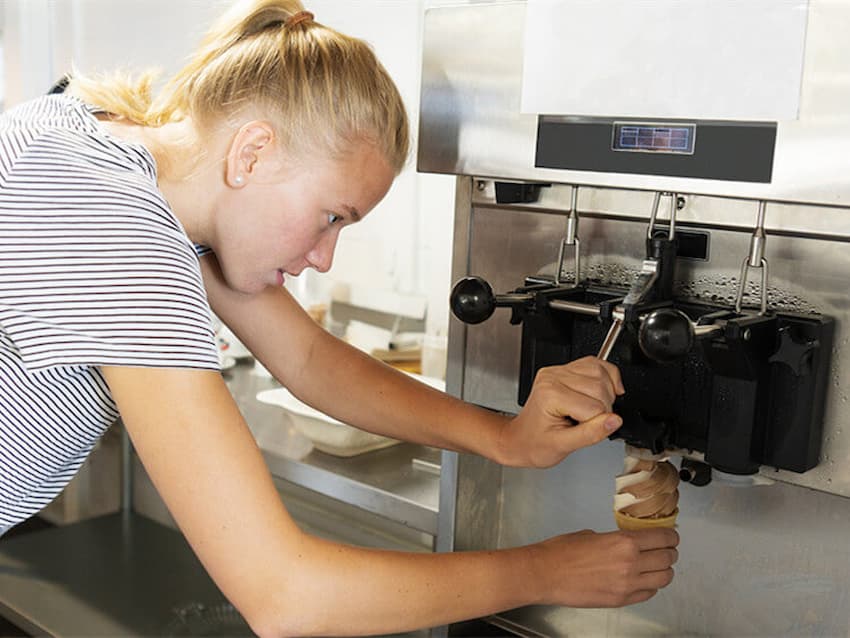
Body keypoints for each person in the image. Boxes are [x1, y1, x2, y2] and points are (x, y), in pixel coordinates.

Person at [0, 1, 679, 635]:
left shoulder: (101, 148)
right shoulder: (116, 230)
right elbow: (283, 593)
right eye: (332, 217)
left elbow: (308, 360)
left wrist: (506, 438)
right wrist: (546, 571)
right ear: (253, 153)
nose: (324, 257)